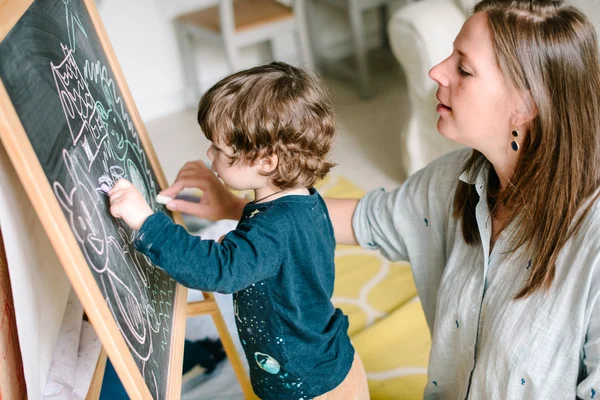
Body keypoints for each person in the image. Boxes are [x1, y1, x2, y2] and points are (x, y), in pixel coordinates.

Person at [155, 0, 600, 398]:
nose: (436, 71)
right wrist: (241, 209)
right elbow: (361, 219)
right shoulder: (456, 179)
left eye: (463, 69)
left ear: (525, 106)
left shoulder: (591, 244)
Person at [108, 62, 369, 400]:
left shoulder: (273, 227)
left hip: (304, 385)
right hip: (329, 360)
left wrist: (146, 222)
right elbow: (279, 259)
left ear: (266, 162)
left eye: (221, 150)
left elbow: (217, 270)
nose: (209, 154)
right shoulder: (304, 203)